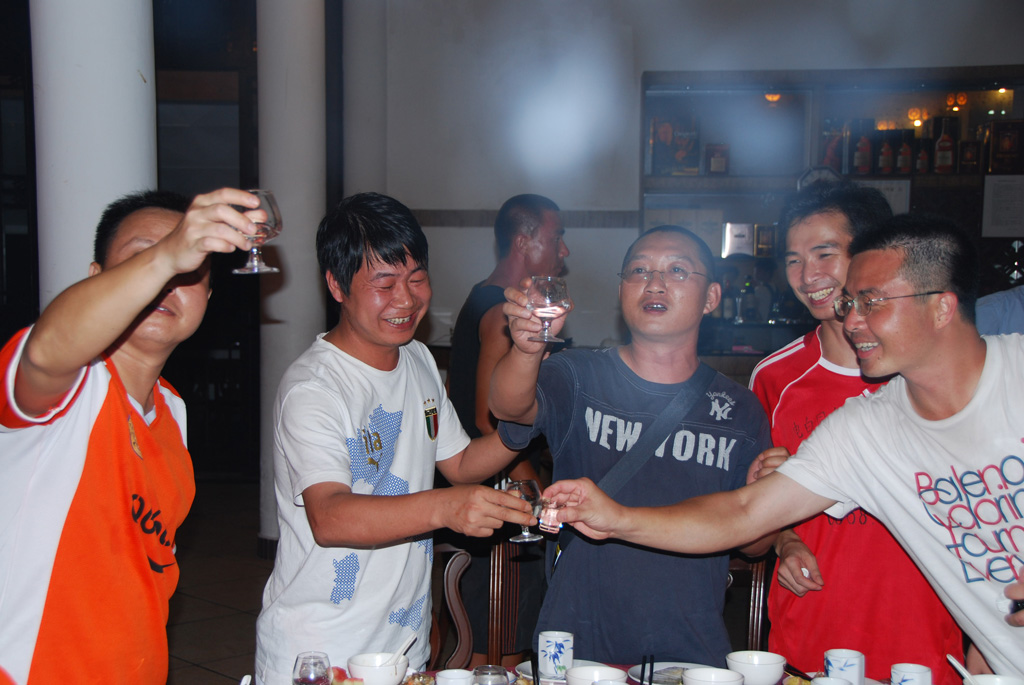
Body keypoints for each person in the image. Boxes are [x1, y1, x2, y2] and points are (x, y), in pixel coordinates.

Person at [545, 213, 1024, 678]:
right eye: (850, 302)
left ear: (941, 307)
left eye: (872, 302)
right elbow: (744, 513)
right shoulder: (864, 428)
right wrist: (616, 517)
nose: (852, 321)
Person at [253, 192, 534, 685]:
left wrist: (525, 424)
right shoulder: (314, 388)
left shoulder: (418, 360)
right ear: (337, 285)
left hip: (401, 647)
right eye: (384, 284)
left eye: (417, 279)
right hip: (319, 652)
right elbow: (330, 517)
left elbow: (461, 463)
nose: (406, 300)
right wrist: (446, 508)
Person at [0, 187, 263, 685]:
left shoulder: (171, 411)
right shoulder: (73, 380)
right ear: (98, 278)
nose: (169, 280)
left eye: (191, 271)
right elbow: (45, 351)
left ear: (208, 298)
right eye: (145, 257)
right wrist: (170, 255)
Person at [489, 225, 774, 666]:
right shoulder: (579, 375)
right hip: (578, 641)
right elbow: (509, 406)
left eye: (677, 271)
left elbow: (756, 544)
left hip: (689, 648)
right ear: (622, 290)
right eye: (639, 271)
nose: (654, 283)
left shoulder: (739, 409)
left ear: (712, 297)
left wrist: (767, 488)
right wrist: (526, 351)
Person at [748, 183, 961, 681]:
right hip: (812, 628)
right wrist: (784, 540)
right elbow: (752, 507)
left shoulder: (932, 370)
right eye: (794, 260)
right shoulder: (775, 378)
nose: (808, 276)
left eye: (825, 253)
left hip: (926, 637)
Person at [446, 193, 568, 667]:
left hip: (481, 486)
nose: (564, 250)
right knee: (498, 649)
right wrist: (536, 496)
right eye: (557, 237)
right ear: (524, 241)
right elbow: (487, 418)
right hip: (499, 494)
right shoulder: (501, 311)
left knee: (475, 637)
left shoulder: (480, 295)